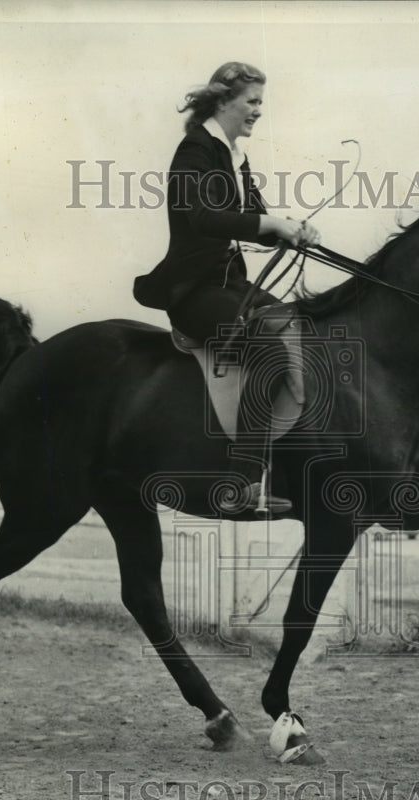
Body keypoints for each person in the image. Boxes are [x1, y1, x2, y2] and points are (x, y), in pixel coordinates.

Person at [134, 61, 320, 514]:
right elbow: (201, 217)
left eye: (261, 103)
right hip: (193, 292)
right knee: (271, 346)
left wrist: (293, 228)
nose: (258, 111)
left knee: (301, 330)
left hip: (227, 284)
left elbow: (253, 218)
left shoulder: (235, 155)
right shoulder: (195, 151)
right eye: (252, 102)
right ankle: (242, 482)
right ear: (224, 101)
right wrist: (273, 222)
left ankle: (293, 468)